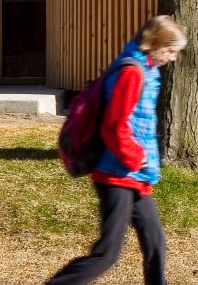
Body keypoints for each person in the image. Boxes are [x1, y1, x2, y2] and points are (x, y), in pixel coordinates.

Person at [47, 15, 187, 285]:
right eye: (171, 51)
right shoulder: (131, 73)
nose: (172, 58)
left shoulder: (145, 70)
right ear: (155, 45)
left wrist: (139, 164)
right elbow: (114, 126)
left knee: (155, 241)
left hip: (132, 174)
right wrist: (136, 157)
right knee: (107, 254)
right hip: (115, 174)